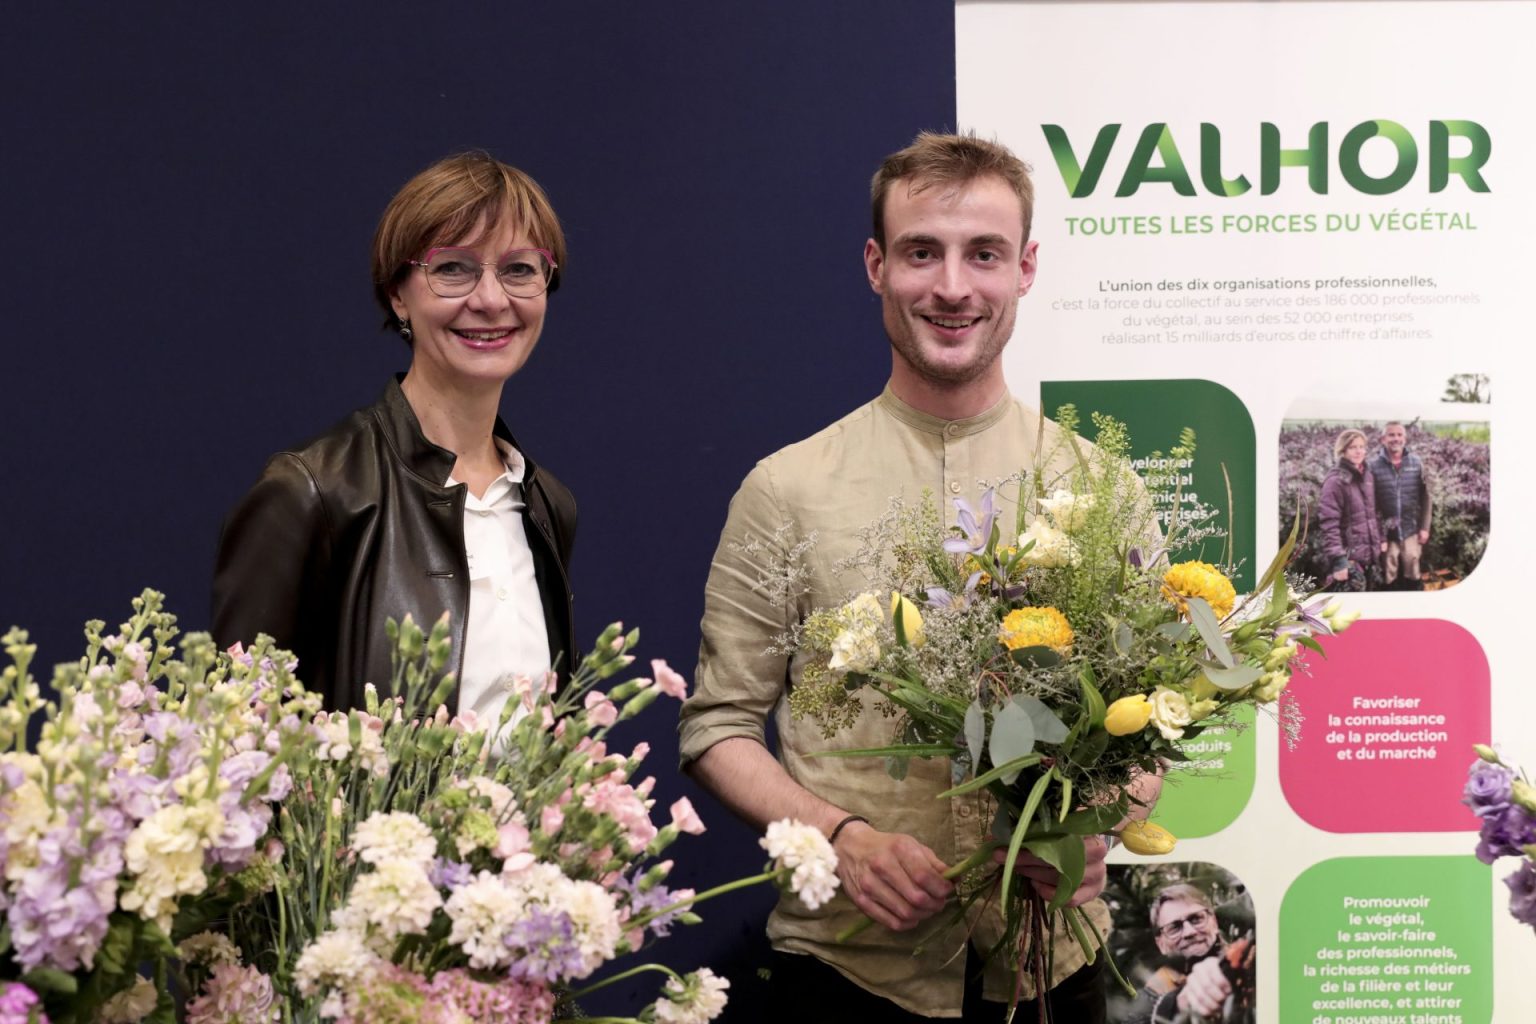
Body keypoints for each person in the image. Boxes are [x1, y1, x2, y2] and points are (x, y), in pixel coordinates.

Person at [679, 132, 1154, 1022]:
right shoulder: (787, 489)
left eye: (985, 254)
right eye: (921, 252)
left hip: (1053, 970)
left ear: (1026, 269)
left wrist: (1096, 823)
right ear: (877, 266)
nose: (953, 286)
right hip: (847, 973)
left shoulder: (1103, 490)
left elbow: (1150, 727)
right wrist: (840, 840)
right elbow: (717, 727)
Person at [212, 152, 576, 724]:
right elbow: (233, 742)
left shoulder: (545, 504)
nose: (491, 299)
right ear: (398, 294)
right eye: (452, 268)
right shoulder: (313, 491)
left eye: (520, 269)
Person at [1123, 884, 1253, 1024]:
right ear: (1161, 944)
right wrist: (1177, 1004)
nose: (1189, 932)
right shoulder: (1153, 992)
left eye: (1196, 918)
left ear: (1214, 922)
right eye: (1174, 927)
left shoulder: (1248, 958)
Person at [1368, 421, 1433, 590]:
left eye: (1399, 435)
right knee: (1388, 571)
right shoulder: (1373, 466)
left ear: (1405, 438)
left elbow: (1427, 497)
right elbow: (1370, 503)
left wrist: (1425, 527)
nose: (1396, 438)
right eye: (1391, 435)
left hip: (1411, 529)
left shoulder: (1416, 463)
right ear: (1383, 439)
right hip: (1386, 533)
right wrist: (1377, 534)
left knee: (1413, 566)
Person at [1316, 428, 1380, 592]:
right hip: (1348, 561)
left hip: (1368, 559)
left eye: (1361, 447)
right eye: (1352, 447)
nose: (1358, 451)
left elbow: (1373, 515)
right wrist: (1339, 561)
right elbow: (1329, 524)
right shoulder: (1335, 481)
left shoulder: (1368, 476)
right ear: (1343, 450)